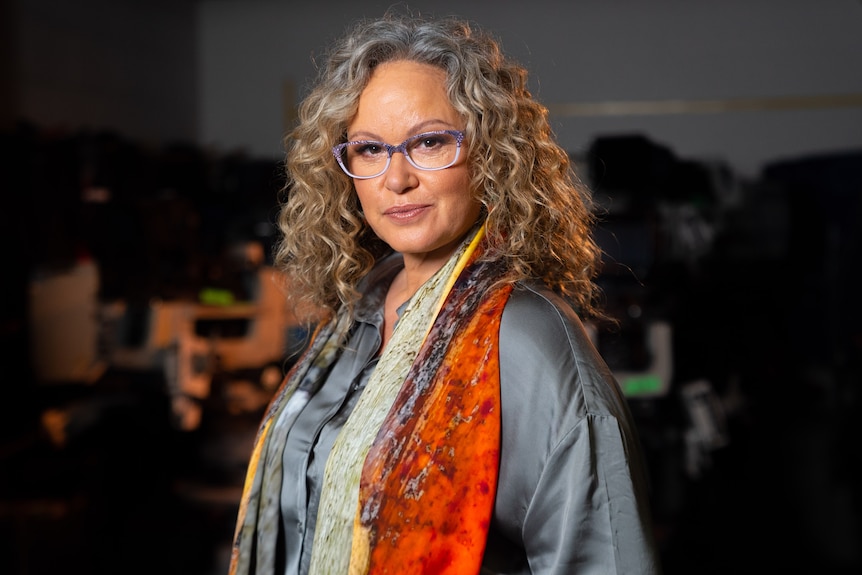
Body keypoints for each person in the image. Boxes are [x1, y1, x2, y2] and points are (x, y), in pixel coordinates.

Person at [230, 11, 660, 575]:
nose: (396, 179)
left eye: (429, 142)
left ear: (491, 153)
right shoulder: (357, 310)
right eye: (369, 149)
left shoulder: (523, 334)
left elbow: (604, 558)